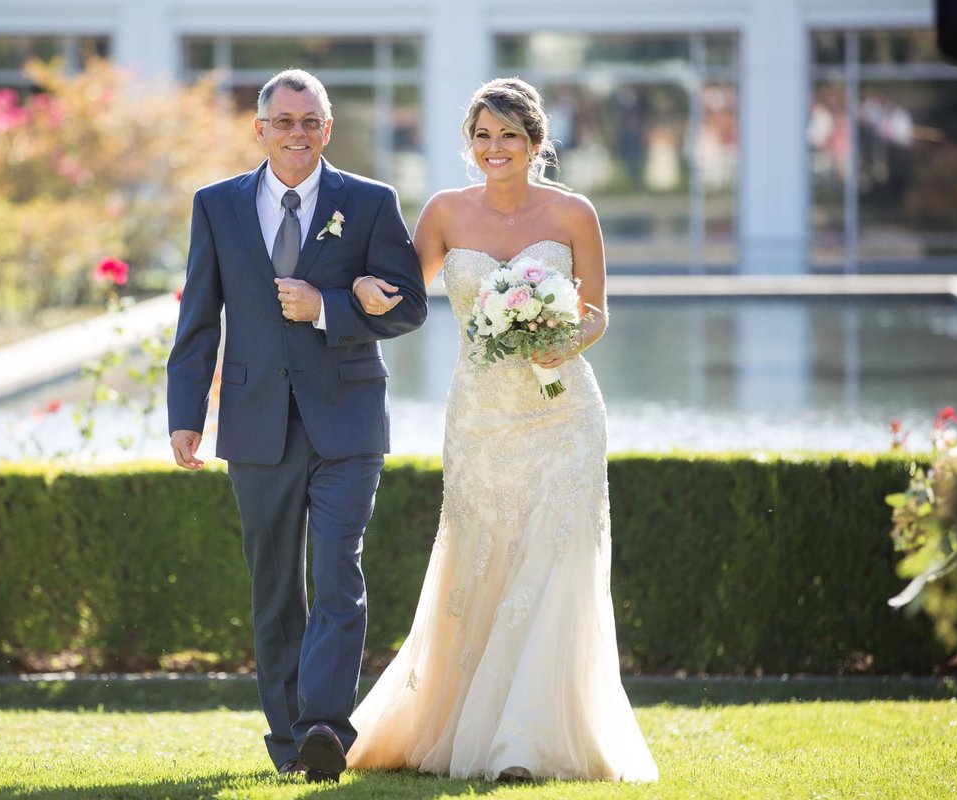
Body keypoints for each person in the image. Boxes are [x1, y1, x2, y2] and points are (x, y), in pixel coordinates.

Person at [345, 77, 658, 783]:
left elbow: (598, 311)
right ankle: (467, 727)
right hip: (481, 415)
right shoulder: (445, 213)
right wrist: (362, 289)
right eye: (483, 136)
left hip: (564, 412)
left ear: (536, 143)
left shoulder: (575, 212)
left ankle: (525, 740)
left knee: (556, 561)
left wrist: (568, 340)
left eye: (509, 136)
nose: (495, 149)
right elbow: (399, 292)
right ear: (470, 143)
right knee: (482, 558)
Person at [167, 68, 428, 784]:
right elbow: (198, 323)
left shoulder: (370, 203)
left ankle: (324, 726)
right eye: (283, 121)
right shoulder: (216, 206)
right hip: (254, 425)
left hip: (347, 422)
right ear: (260, 129)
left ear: (329, 128)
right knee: (275, 588)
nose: (297, 134)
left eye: (310, 121)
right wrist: (185, 416)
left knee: (338, 571)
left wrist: (328, 306)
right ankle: (289, 742)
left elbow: (409, 309)